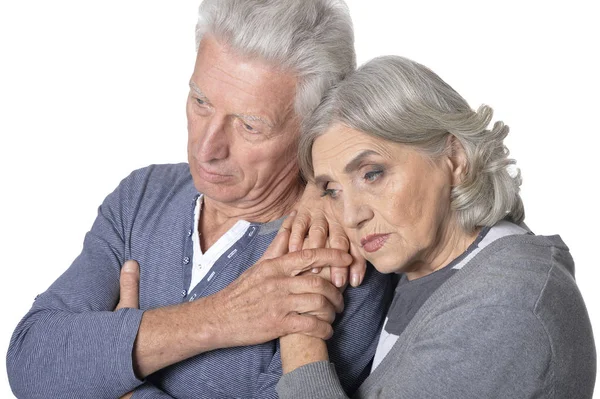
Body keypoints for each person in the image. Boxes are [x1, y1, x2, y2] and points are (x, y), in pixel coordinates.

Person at [6, 1, 393, 398]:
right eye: (201, 103)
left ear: (317, 126)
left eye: (249, 125)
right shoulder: (143, 196)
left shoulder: (339, 255)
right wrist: (223, 317)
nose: (207, 148)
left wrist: (112, 377)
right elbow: (32, 359)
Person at [275, 56, 597, 398]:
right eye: (333, 191)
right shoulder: (428, 269)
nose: (352, 216)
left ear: (455, 158)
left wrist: (300, 335)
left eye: (372, 174)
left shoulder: (505, 304)